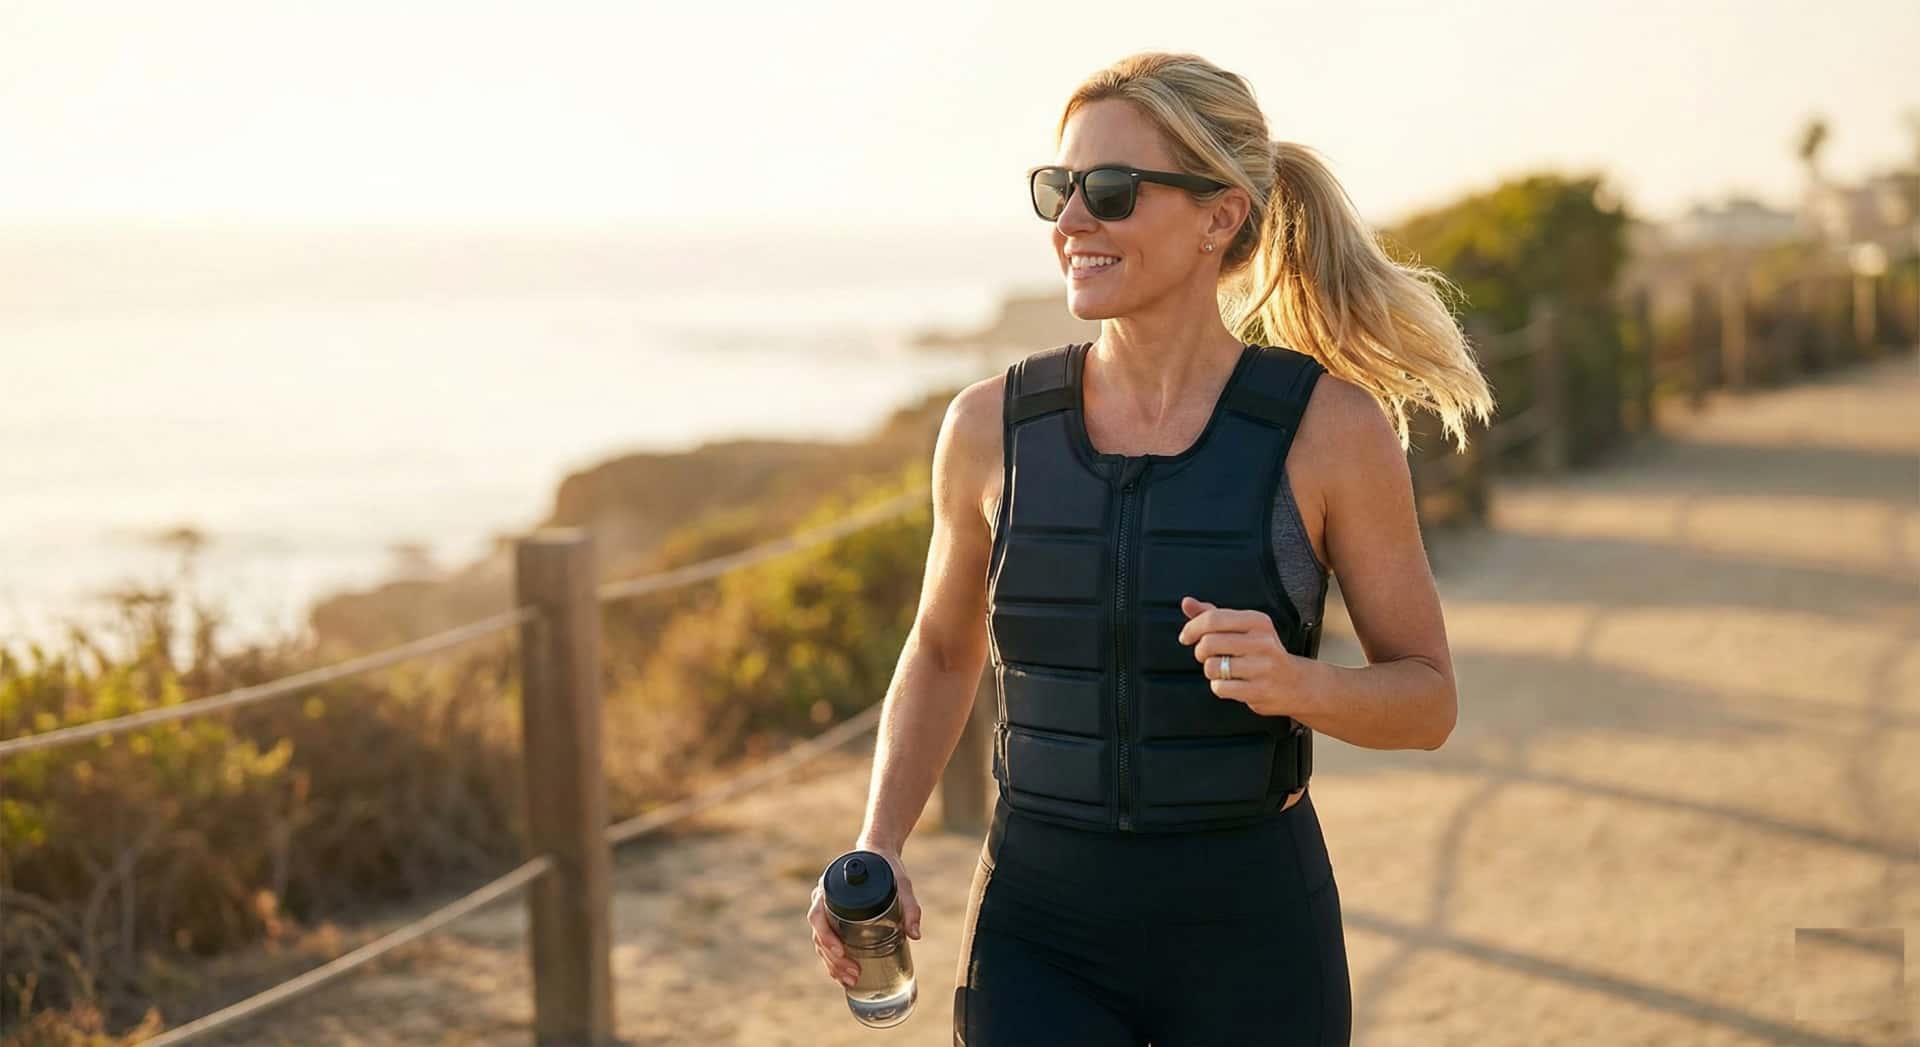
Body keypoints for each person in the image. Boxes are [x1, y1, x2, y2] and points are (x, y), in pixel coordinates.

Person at [808, 50, 1492, 1045]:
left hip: (1253, 939)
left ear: (1220, 215)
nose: (1072, 222)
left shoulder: (1329, 432)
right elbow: (946, 651)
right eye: (1059, 189)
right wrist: (881, 843)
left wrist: (1297, 683)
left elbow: (1427, 700)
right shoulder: (987, 428)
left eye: (1113, 192)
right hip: (1037, 935)